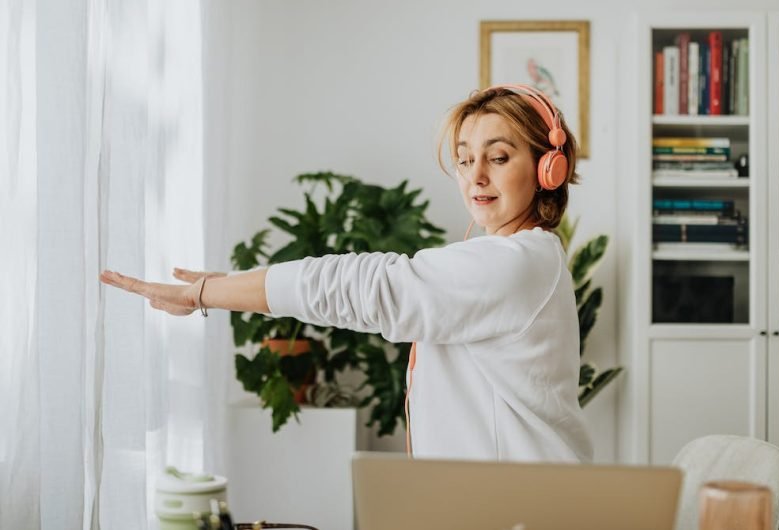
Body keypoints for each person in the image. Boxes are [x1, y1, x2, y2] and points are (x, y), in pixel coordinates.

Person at [100, 84, 594, 463]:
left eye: (499, 157)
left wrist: (206, 294)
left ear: (547, 167)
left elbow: (359, 286)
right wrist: (220, 286)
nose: (476, 176)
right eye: (465, 159)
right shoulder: (518, 259)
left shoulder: (515, 263)